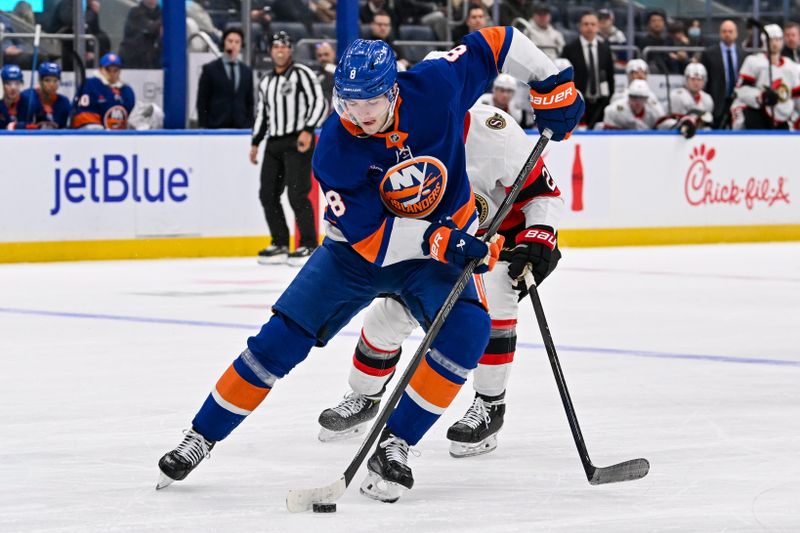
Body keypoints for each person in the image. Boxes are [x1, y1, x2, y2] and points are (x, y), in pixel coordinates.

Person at [156, 28, 583, 503]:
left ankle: (396, 444)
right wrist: (443, 239)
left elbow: (496, 41)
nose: (358, 116)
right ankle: (201, 436)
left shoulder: (437, 85)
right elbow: (371, 238)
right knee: (280, 340)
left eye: (369, 104)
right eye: (348, 103)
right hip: (356, 256)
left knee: (468, 331)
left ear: (393, 91)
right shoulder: (335, 146)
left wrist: (550, 77)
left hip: (430, 257)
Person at [316, 102, 563, 457]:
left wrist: (540, 235)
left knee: (493, 300)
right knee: (387, 317)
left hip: (494, 246)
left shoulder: (496, 134)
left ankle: (490, 405)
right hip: (434, 247)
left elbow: (542, 194)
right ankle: (365, 396)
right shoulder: (398, 136)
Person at [250, 31, 326, 266]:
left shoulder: (302, 74)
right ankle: (280, 242)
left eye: (284, 46)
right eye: (276, 47)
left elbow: (319, 102)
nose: (280, 51)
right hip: (274, 143)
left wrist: (307, 130)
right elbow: (263, 115)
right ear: (271, 51)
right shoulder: (266, 81)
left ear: (290, 50)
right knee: (267, 194)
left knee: (297, 193)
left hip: (297, 140)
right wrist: (255, 142)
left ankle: (309, 244)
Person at [731, 24, 800, 130]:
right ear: (764, 41)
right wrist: (761, 96)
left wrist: (794, 117)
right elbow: (740, 90)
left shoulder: (791, 66)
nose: (775, 43)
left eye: (778, 39)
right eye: (771, 39)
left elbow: (796, 97)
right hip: (758, 114)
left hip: (783, 117)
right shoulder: (753, 62)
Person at [561, 10, 615, 128]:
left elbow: (610, 77)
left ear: (598, 27)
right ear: (580, 27)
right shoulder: (569, 49)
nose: (589, 27)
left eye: (593, 24)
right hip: (577, 102)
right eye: (586, 24)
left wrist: (608, 99)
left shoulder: (605, 49)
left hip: (601, 103)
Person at [196, 28, 255, 129]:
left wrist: (249, 123)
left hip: (241, 126)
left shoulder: (246, 72)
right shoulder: (210, 69)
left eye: (237, 42)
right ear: (224, 43)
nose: (233, 45)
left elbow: (249, 101)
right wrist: (204, 125)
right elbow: (202, 100)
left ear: (241, 45)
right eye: (230, 41)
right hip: (215, 126)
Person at [71, 53, 136, 129]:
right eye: (108, 70)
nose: (112, 73)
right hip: (95, 137)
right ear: (100, 69)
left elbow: (131, 118)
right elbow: (84, 117)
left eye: (115, 70)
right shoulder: (90, 85)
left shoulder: (127, 91)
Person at [701, 20, 746, 128]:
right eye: (724, 31)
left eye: (730, 31)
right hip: (717, 101)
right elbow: (706, 80)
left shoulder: (743, 54)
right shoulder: (709, 54)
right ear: (720, 33)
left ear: (736, 33)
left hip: (737, 101)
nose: (727, 34)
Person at [17, 62, 71, 129]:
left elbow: (65, 130)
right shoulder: (27, 98)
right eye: (47, 80)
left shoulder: (64, 102)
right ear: (40, 80)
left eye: (55, 81)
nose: (52, 84)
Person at [669, 62, 714, 137]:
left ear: (704, 81)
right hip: (679, 134)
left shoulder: (707, 99)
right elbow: (675, 122)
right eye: (692, 79)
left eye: (699, 79)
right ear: (686, 80)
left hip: (699, 135)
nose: (696, 83)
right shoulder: (676, 95)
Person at [119, 0, 162, 69]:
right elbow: (149, 29)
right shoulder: (135, 12)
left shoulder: (161, 13)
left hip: (155, 64)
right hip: (133, 63)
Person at [313, 41, 336, 113]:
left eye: (326, 54)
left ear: (333, 54)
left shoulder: (341, 74)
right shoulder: (313, 74)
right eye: (319, 55)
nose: (323, 58)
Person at [0, 64, 23, 129]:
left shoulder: (27, 104)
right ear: (2, 85)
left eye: (17, 83)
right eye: (8, 83)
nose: (13, 88)